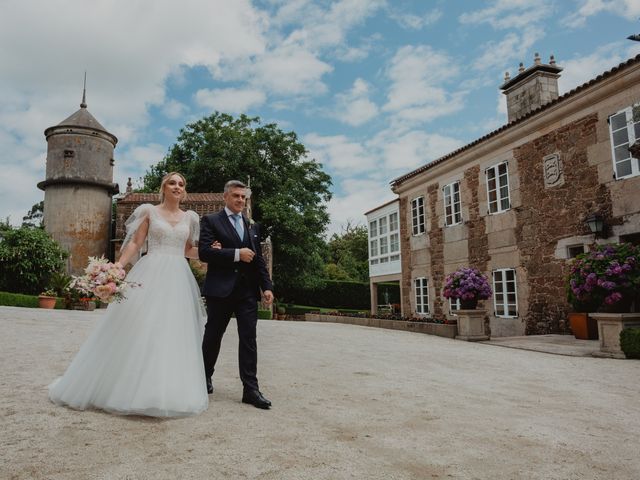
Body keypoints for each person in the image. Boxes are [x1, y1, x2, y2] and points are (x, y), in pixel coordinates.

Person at [49, 172, 210, 417]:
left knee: (172, 331)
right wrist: (118, 267)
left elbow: (188, 250)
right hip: (151, 271)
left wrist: (211, 254)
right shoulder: (150, 212)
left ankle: (163, 391)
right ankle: (124, 389)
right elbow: (135, 243)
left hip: (178, 277)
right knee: (140, 326)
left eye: (181, 184)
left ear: (184, 191)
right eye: (172, 183)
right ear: (163, 188)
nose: (177, 186)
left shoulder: (191, 217)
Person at [199, 180, 274, 409]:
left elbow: (258, 259)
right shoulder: (211, 221)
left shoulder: (252, 225)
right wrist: (235, 254)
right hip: (220, 290)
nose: (240, 200)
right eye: (236, 196)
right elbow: (204, 252)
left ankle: (250, 389)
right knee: (213, 336)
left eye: (243, 197)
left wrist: (267, 287)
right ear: (226, 197)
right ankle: (203, 377)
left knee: (249, 339)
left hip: (247, 292)